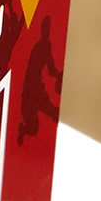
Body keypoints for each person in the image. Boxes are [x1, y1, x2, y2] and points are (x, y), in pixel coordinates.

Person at [18, 15, 62, 145]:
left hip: (35, 89)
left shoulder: (43, 45)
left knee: (51, 114)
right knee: (33, 128)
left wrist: (59, 75)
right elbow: (51, 70)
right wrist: (58, 75)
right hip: (32, 90)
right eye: (45, 28)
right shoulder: (43, 45)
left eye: (47, 28)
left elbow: (50, 70)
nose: (46, 31)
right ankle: (23, 130)